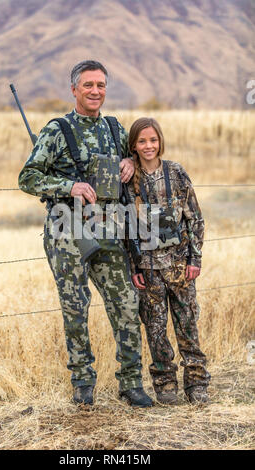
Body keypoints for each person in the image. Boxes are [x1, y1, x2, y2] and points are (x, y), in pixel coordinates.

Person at [18, 60, 153, 408]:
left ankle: (132, 384)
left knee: (126, 305)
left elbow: (137, 156)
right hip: (67, 233)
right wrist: (69, 185)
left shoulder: (113, 128)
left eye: (101, 85)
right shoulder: (57, 130)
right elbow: (28, 177)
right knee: (75, 309)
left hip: (110, 231)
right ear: (74, 89)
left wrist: (130, 162)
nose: (96, 91)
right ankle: (83, 385)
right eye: (89, 85)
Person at [126, 117, 211, 405]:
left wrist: (194, 259)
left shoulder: (175, 172)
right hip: (148, 272)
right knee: (155, 330)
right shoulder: (129, 181)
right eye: (141, 141)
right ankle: (165, 384)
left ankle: (197, 383)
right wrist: (133, 266)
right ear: (133, 146)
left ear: (160, 141)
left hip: (179, 267)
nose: (148, 146)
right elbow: (126, 229)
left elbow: (195, 219)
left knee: (187, 325)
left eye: (153, 140)